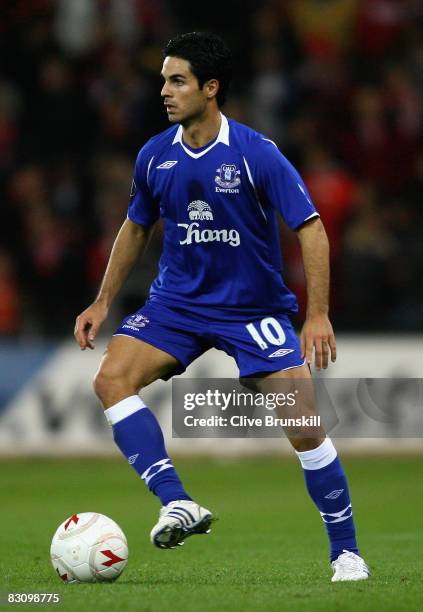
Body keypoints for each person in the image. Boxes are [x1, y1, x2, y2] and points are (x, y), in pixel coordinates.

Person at [74, 32, 369, 582]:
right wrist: (103, 300)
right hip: (176, 305)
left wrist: (318, 313)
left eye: (177, 80)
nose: (164, 90)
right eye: (163, 79)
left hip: (252, 311)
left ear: (211, 89)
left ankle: (346, 553)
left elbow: (311, 228)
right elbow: (135, 227)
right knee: (111, 380)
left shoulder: (257, 152)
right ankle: (176, 501)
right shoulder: (154, 155)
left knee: (305, 427)